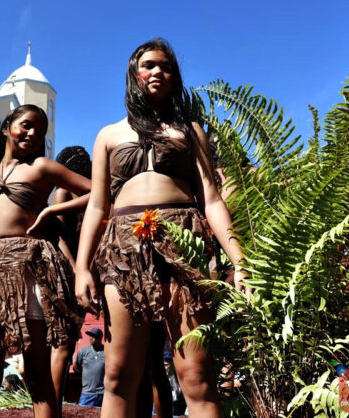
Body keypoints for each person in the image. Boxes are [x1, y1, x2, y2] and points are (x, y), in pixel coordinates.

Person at [75, 38, 246, 418]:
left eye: (166, 67)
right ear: (134, 74)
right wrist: (82, 267)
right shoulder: (108, 135)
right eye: (149, 65)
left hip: (185, 241)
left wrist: (239, 260)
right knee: (119, 374)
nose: (158, 72)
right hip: (124, 248)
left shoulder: (191, 131)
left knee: (196, 374)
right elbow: (98, 205)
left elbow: (212, 199)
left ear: (175, 77)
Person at [0, 104, 91, 418]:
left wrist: (51, 210)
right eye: (26, 125)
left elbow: (98, 192)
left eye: (40, 132)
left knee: (38, 373)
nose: (33, 134)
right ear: (6, 127)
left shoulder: (41, 168)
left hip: (31, 273)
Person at [50, 145, 92, 411]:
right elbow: (60, 239)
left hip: (83, 273)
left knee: (68, 345)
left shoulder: (87, 193)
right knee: (63, 346)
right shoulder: (62, 194)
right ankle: (52, 410)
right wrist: (77, 271)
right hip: (67, 275)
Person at [73, 328, 105, 407]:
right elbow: (76, 367)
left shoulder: (106, 351)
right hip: (87, 393)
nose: (90, 338)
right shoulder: (83, 351)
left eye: (93, 336)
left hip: (103, 393)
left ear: (100, 338)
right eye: (90, 336)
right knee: (81, 412)